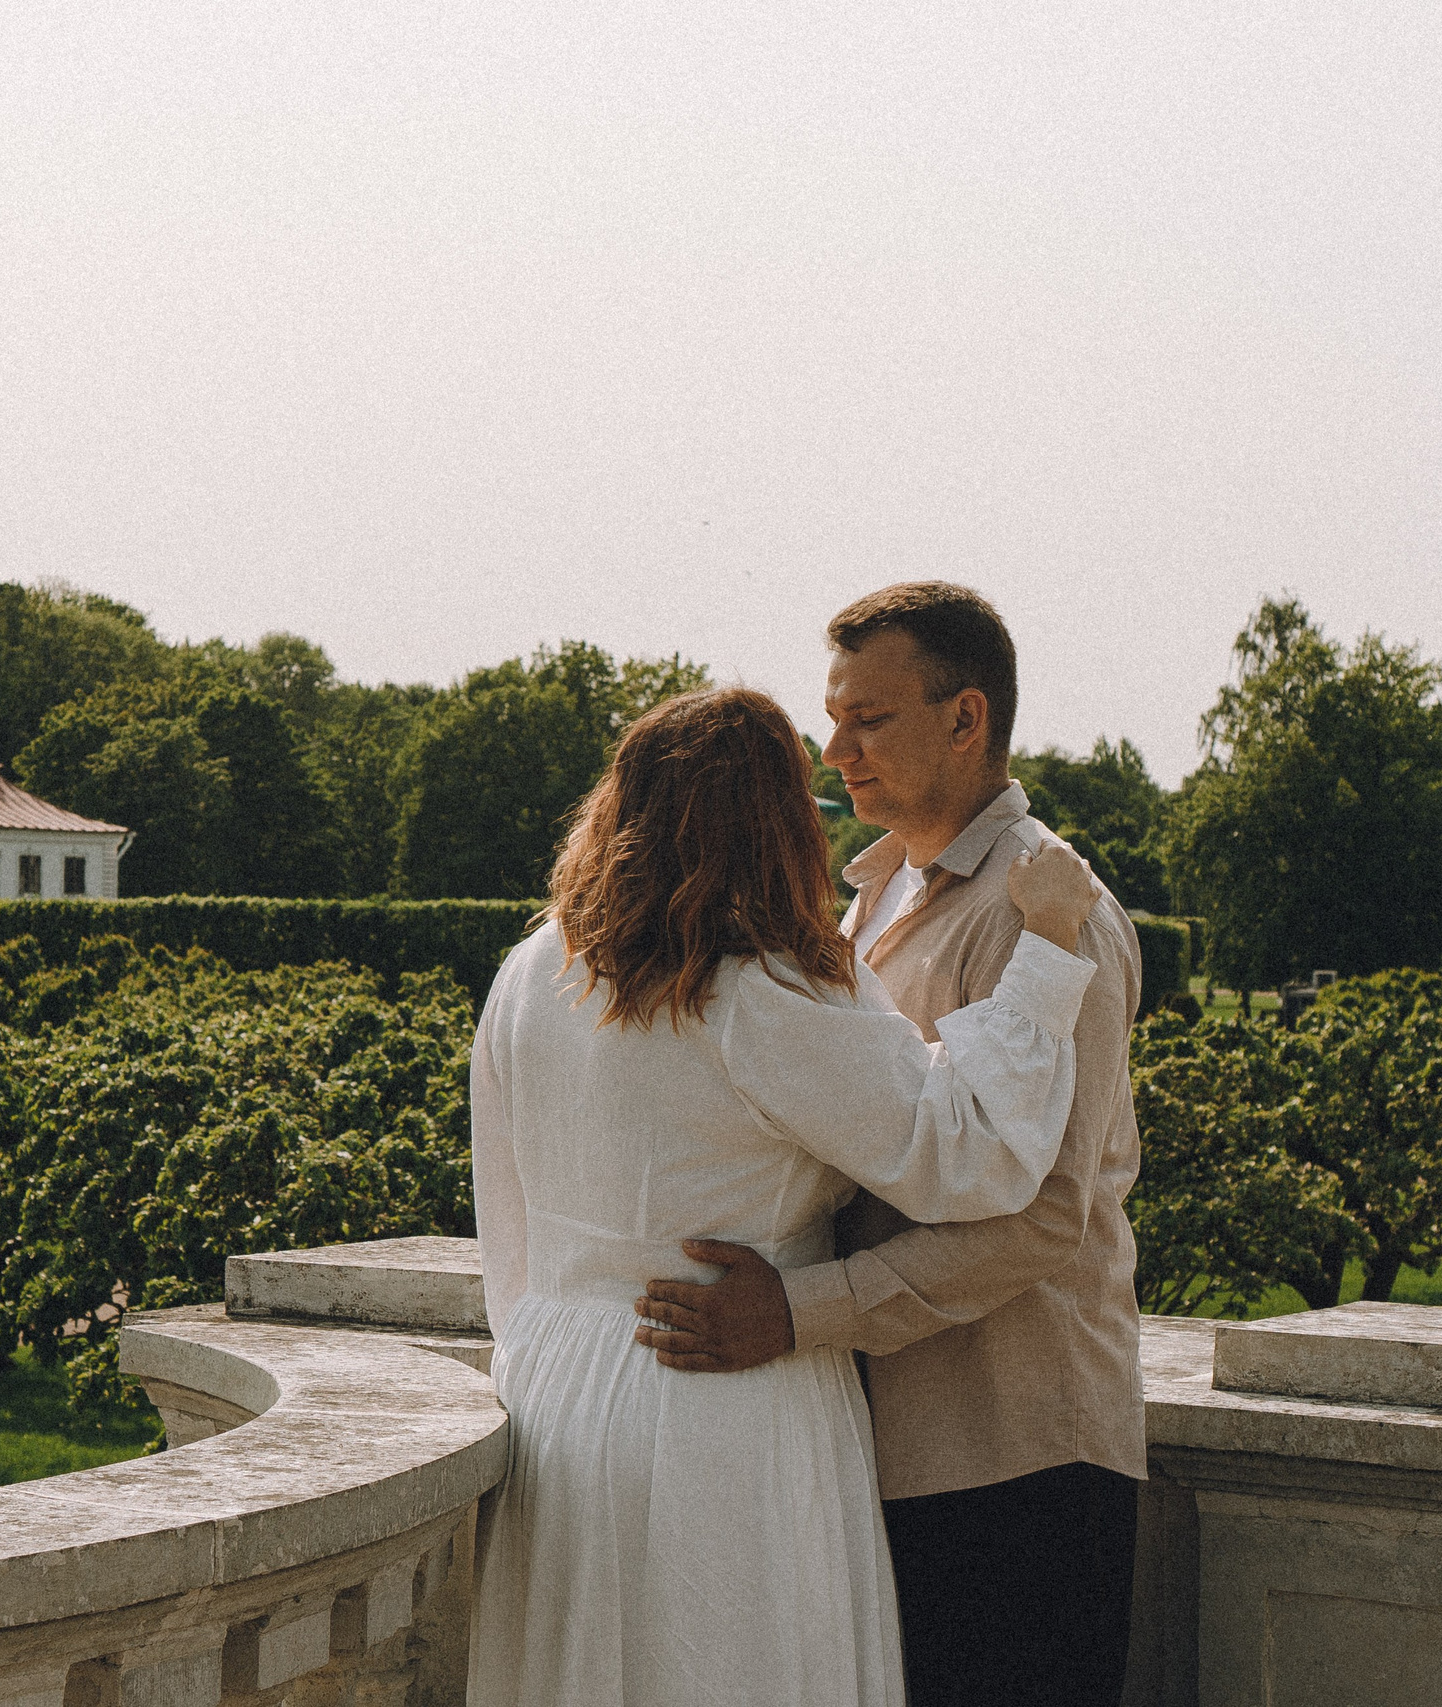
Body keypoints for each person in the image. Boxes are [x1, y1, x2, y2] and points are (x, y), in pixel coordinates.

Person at [470, 685, 1101, 1707]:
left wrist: (546, 1350)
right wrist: (1048, 948)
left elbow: (506, 1227)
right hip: (725, 1399)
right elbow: (970, 1150)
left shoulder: (530, 972)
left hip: (555, 1393)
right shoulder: (764, 987)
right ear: (775, 820)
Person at [635, 584, 1147, 1707]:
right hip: (882, 1448)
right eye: (834, 719)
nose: (835, 753)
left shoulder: (1047, 913)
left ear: (966, 719)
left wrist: (795, 1312)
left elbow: (1043, 1220)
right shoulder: (865, 905)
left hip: (1014, 1455)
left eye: (868, 720)